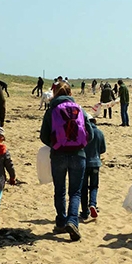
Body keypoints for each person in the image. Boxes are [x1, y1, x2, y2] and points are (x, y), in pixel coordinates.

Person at [40, 83, 93, 241]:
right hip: (78, 154)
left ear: (54, 93)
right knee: (75, 192)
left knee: (60, 190)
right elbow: (89, 134)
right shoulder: (79, 109)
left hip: (58, 155)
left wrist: (56, 145)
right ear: (70, 92)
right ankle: (72, 221)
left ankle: (61, 222)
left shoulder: (51, 111)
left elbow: (43, 136)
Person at [81, 115, 106, 221]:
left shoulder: (83, 132)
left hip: (84, 163)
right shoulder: (100, 132)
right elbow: (103, 149)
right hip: (96, 163)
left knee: (83, 188)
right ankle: (93, 204)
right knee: (94, 186)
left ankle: (85, 211)